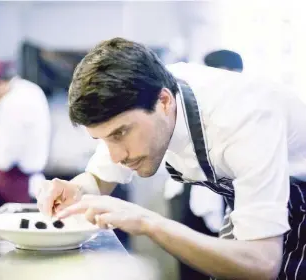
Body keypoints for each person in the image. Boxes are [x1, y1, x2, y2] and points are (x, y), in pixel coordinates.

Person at [36, 38, 306, 280]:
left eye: (120, 133)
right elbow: (97, 179)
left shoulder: (244, 119)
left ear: (164, 102)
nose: (115, 155)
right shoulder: (145, 95)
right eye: (103, 139)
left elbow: (262, 264)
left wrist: (147, 222)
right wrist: (76, 189)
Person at [165, 49, 244, 280]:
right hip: (188, 190)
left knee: (223, 259)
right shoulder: (189, 96)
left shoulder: (245, 106)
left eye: (235, 75)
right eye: (225, 74)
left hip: (226, 191)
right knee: (191, 259)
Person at [0, 61, 51, 209]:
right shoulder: (28, 89)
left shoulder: (10, 103)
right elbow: (19, 129)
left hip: (19, 186)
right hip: (31, 183)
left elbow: (5, 159)